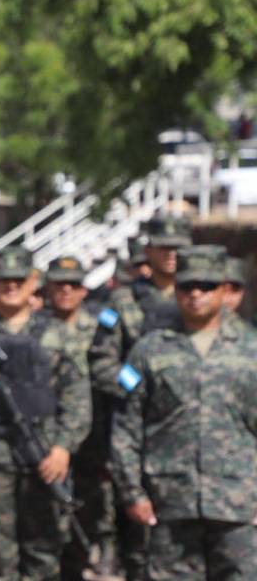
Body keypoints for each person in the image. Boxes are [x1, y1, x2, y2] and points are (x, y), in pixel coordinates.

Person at [111, 245, 257, 580]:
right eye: (186, 286)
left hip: (238, 502)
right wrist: (132, 492)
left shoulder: (252, 349)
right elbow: (126, 426)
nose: (196, 294)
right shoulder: (149, 350)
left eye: (206, 286)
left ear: (224, 289)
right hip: (170, 502)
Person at [0, 247, 90, 581]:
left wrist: (63, 448)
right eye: (3, 279)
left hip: (45, 456)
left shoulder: (58, 334)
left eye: (19, 279)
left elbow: (77, 396)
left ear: (33, 282)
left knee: (43, 554)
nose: (11, 286)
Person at [89, 215, 192, 581]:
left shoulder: (199, 297)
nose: (171, 255)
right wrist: (138, 391)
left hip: (189, 431)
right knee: (137, 539)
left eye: (179, 248)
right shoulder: (122, 300)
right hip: (137, 432)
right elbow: (101, 362)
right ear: (148, 252)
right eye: (164, 247)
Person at [44, 257, 121, 580]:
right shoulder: (36, 327)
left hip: (96, 436)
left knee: (91, 510)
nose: (66, 290)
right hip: (48, 437)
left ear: (84, 290)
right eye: (59, 283)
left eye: (73, 284)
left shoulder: (102, 326)